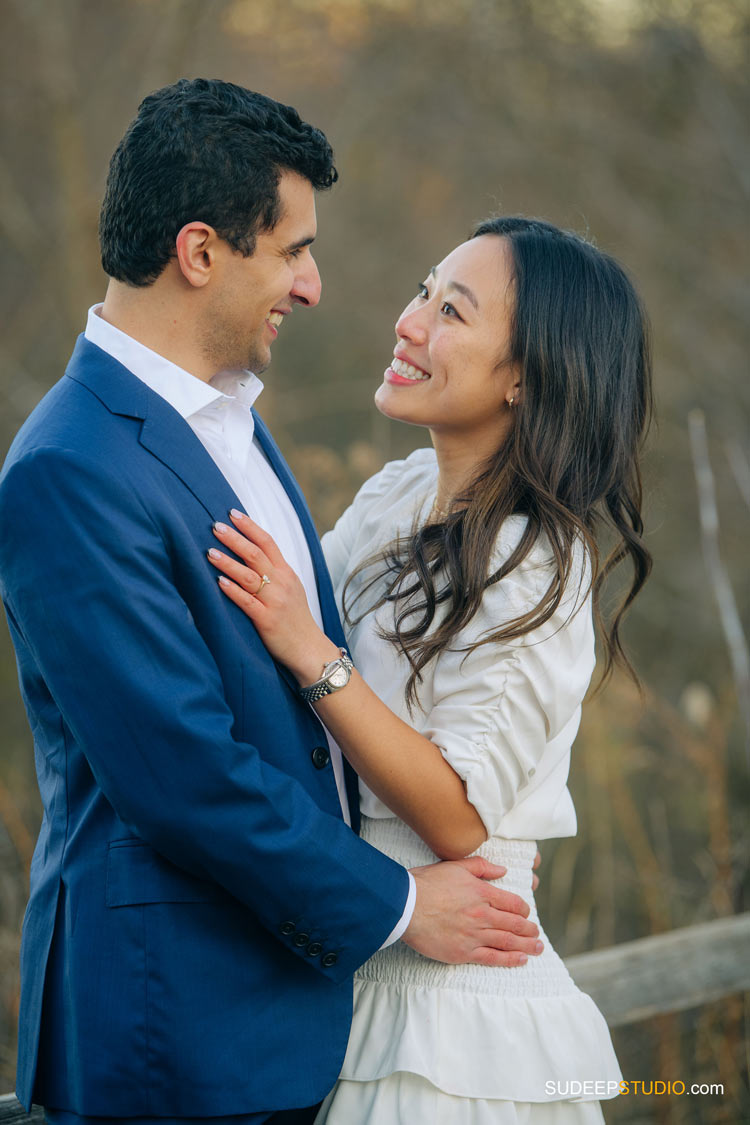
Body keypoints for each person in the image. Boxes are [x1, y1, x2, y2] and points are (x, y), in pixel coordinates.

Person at [0, 81, 544, 1125]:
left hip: (296, 1010)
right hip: (175, 1026)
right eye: (292, 250)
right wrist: (395, 904)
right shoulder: (70, 466)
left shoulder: (231, 419)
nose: (314, 285)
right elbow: (179, 773)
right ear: (201, 252)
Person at [204, 216, 653, 1122]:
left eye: (453, 312)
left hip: (455, 1013)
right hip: (368, 963)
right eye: (422, 292)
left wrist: (315, 655)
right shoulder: (399, 493)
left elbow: (457, 814)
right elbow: (268, 635)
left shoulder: (537, 557)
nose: (410, 324)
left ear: (526, 376)